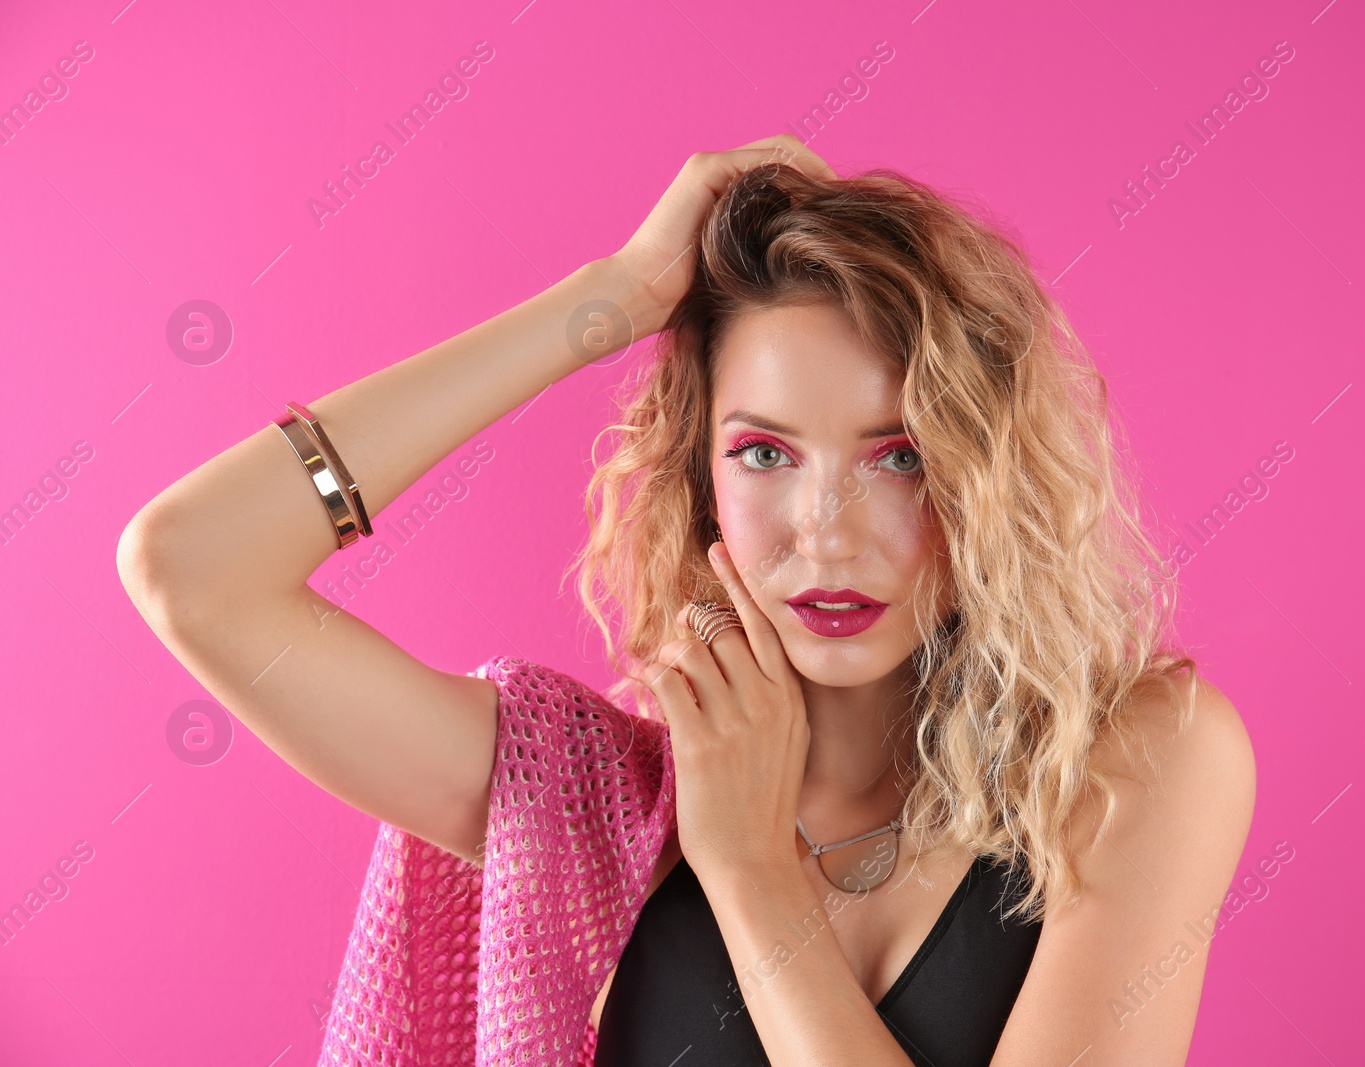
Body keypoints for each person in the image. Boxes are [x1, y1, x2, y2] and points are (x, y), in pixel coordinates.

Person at [117, 133, 1256, 1066]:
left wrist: (753, 868)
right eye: (764, 453)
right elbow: (194, 566)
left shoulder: (1133, 761)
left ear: (988, 472)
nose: (826, 529)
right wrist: (605, 302)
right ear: (699, 480)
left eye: (899, 454)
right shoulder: (592, 807)